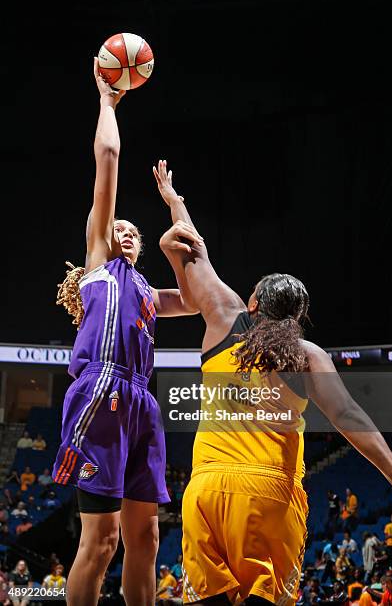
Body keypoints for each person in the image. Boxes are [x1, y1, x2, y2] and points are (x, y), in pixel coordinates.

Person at [154, 158, 392, 606]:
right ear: (297, 316)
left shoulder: (224, 322)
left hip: (207, 491)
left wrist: (176, 203)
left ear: (252, 303)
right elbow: (348, 416)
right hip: (268, 497)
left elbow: (195, 254)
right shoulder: (307, 356)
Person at [51, 63, 200, 606]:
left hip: (143, 401)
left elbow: (198, 296)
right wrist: (108, 104)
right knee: (103, 539)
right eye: (120, 228)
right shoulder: (98, 268)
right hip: (102, 391)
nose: (128, 233)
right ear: (101, 236)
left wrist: (175, 208)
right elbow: (108, 161)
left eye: (135, 231)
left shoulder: (146, 295)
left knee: (147, 535)